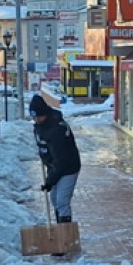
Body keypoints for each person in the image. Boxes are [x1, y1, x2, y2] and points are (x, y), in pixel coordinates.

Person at [29, 93, 81, 226]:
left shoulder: (56, 130)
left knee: (62, 201)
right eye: (34, 117)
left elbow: (61, 160)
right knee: (54, 199)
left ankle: (65, 233)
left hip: (68, 167)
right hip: (55, 167)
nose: (36, 120)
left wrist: (49, 181)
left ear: (45, 113)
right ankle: (60, 228)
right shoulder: (42, 125)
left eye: (39, 116)